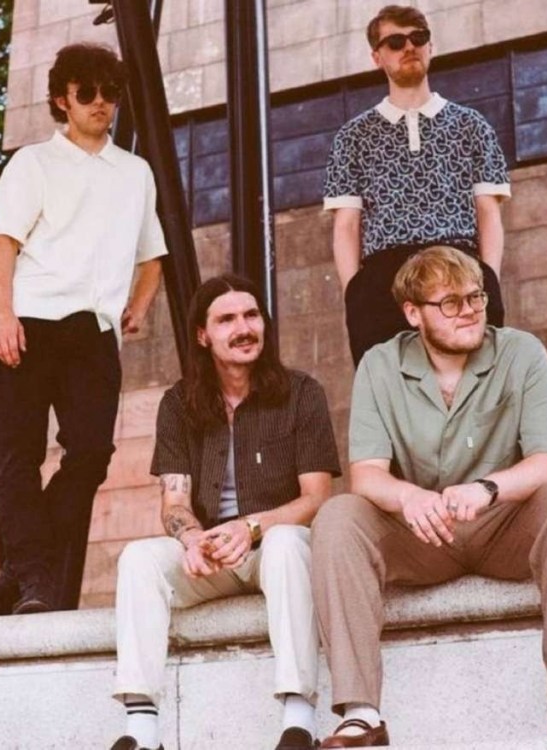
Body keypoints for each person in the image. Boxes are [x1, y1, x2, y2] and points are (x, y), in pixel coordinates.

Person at [311, 246, 547, 747]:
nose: (469, 310)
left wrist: (488, 489)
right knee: (338, 515)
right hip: (424, 535)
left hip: (503, 526)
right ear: (413, 313)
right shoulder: (380, 366)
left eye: (476, 297)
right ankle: (361, 714)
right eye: (450, 302)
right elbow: (366, 475)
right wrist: (409, 498)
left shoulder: (522, 352)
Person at [0, 43, 167, 616]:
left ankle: (18, 573)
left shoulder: (135, 173)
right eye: (87, 92)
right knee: (19, 456)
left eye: (110, 92)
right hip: (29, 321)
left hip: (93, 331)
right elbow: (2, 244)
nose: (100, 102)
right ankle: (32, 576)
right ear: (62, 99)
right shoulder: (32, 163)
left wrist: (138, 307)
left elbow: (153, 256)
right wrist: (2, 315)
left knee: (91, 453)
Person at [110, 274, 342, 750]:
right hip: (212, 553)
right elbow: (174, 502)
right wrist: (192, 539)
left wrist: (252, 527)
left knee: (285, 544)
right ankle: (142, 729)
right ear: (203, 335)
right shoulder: (178, 404)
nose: (244, 328)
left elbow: (317, 497)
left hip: (272, 545)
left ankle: (299, 719)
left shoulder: (302, 393)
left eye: (252, 315)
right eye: (227, 319)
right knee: (138, 559)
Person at [324, 4, 511, 366]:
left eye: (418, 38)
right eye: (395, 42)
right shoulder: (352, 137)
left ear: (431, 46)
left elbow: (488, 213)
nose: (409, 47)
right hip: (383, 281)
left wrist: (487, 279)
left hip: (460, 268)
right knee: (390, 387)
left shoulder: (472, 126)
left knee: (475, 384)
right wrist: (355, 293)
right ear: (377, 57)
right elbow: (346, 225)